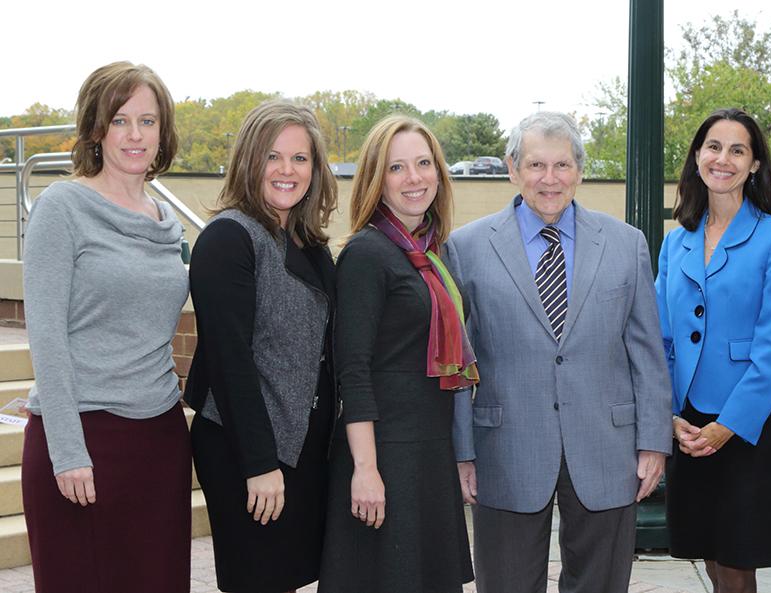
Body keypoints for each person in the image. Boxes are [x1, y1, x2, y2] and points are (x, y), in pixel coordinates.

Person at [446, 112, 672, 593]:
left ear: (580, 170)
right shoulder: (465, 248)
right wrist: (462, 451)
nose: (550, 179)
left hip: (607, 448)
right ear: (512, 169)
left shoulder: (625, 244)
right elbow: (456, 366)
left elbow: (647, 354)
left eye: (562, 165)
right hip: (504, 450)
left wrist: (653, 441)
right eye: (535, 165)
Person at [20, 61, 190, 593]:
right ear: (96, 129)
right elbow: (46, 335)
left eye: (148, 121)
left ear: (163, 132)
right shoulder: (62, 207)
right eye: (120, 120)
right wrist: (68, 452)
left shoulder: (167, 222)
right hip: (81, 440)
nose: (135, 135)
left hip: (159, 440)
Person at [184, 100, 338, 593]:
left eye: (300, 158)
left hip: (304, 449)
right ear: (250, 160)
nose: (287, 170)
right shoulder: (228, 239)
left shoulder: (310, 244)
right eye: (273, 156)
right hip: (246, 452)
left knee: (288, 579)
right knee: (256, 581)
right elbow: (231, 364)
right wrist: (259, 464)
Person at [318, 115, 476, 593]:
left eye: (424, 163)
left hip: (429, 452)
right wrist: (366, 471)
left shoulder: (434, 254)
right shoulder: (367, 254)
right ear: (376, 179)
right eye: (397, 167)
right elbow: (353, 370)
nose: (415, 178)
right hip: (384, 455)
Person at [654, 108, 771, 593]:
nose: (723, 158)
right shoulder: (675, 243)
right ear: (698, 156)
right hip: (688, 422)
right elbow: (660, 339)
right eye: (713, 147)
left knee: (738, 566)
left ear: (755, 164)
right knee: (710, 558)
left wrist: (727, 428)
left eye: (738, 149)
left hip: (749, 424)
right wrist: (670, 415)